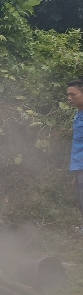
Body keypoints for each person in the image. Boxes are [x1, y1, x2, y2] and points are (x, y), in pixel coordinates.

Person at [67, 79, 83, 218]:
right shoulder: (78, 115)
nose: (69, 98)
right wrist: (76, 174)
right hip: (79, 167)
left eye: (73, 94)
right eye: (68, 95)